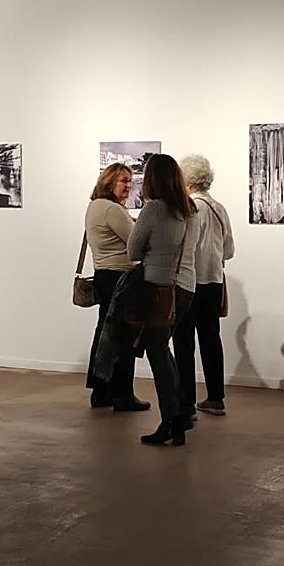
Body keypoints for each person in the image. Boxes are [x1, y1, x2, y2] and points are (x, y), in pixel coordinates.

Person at [127, 154, 200, 446]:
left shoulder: (154, 209)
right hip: (186, 287)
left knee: (157, 353)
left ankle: (172, 418)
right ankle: (179, 416)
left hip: (159, 288)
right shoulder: (191, 209)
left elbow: (133, 251)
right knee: (163, 350)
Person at [83, 163, 151, 412]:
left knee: (106, 335)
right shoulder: (111, 210)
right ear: (109, 182)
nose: (128, 186)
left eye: (130, 181)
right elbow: (137, 243)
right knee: (123, 337)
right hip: (119, 279)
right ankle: (122, 394)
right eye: (123, 180)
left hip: (104, 275)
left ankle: (102, 391)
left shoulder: (96, 206)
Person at [175, 154, 235, 417]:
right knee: (211, 339)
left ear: (186, 180)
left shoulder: (190, 209)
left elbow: (184, 248)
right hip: (213, 281)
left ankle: (185, 402)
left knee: (183, 341)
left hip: (189, 283)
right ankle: (215, 397)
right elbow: (229, 249)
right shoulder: (219, 208)